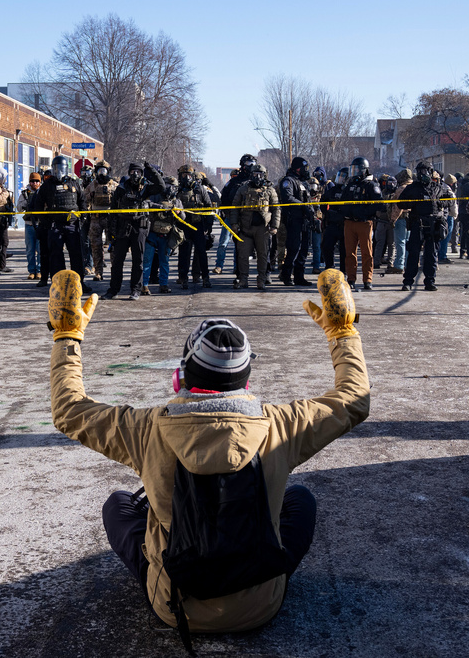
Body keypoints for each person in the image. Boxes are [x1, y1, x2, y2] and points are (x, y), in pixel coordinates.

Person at [45, 266, 369, 648]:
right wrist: (342, 333)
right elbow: (353, 399)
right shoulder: (282, 425)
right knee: (300, 499)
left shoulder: (145, 429)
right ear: (246, 380)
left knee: (119, 505)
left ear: (181, 378)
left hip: (174, 605)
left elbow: (69, 409)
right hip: (263, 605)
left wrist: (67, 337)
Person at [397, 162, 452, 292]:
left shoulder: (438, 187)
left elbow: (450, 200)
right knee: (413, 253)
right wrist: (412, 202)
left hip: (433, 224)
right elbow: (400, 204)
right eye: (419, 171)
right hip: (418, 223)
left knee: (431, 254)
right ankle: (408, 281)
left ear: (430, 171)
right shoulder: (412, 188)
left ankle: (430, 281)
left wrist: (439, 203)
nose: (422, 174)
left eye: (424, 171)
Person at [34, 155, 87, 289]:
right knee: (56, 256)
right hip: (55, 225)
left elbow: (83, 201)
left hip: (72, 225)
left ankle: (79, 283)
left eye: (62, 168)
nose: (59, 171)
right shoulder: (48, 185)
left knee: (76, 255)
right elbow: (38, 205)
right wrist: (46, 222)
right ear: (53, 169)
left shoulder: (74, 183)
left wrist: (83, 217)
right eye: (57, 168)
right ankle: (59, 284)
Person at [105, 163, 152, 300]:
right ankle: (113, 290)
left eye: (138, 172)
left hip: (139, 228)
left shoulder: (146, 189)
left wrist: (151, 169)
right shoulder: (121, 189)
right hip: (122, 228)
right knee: (117, 261)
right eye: (132, 171)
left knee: (138, 261)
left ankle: (135, 290)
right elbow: (113, 212)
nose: (135, 174)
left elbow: (160, 186)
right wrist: (111, 234)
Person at [232, 164, 279, 290]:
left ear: (264, 175)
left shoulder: (270, 190)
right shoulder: (243, 189)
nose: (257, 177)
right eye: (255, 174)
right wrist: (234, 224)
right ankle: (243, 279)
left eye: (260, 174)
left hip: (263, 229)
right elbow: (235, 207)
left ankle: (261, 279)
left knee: (263, 255)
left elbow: (276, 209)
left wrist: (275, 226)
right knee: (242, 255)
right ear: (251, 175)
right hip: (245, 228)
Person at [341, 157, 383, 290]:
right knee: (350, 253)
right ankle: (351, 279)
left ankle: (367, 280)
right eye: (353, 169)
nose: (354, 172)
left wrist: (363, 212)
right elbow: (342, 201)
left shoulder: (371, 185)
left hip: (364, 223)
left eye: (357, 169)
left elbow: (380, 205)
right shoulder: (350, 185)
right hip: (349, 223)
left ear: (364, 170)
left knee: (366, 253)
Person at [277, 156, 315, 287]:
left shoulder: (303, 182)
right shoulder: (288, 181)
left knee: (304, 249)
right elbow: (288, 198)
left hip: (305, 220)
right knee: (294, 248)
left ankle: (299, 276)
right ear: (298, 168)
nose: (306, 171)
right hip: (294, 220)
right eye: (304, 168)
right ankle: (286, 275)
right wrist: (303, 206)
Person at [175, 164, 214, 290]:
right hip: (184, 226)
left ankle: (205, 277)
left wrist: (208, 226)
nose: (187, 178)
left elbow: (209, 207)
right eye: (184, 175)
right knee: (184, 254)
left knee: (201, 253)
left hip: (198, 226)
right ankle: (183, 277)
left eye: (189, 175)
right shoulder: (177, 190)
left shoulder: (200, 189)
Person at [215, 156, 255, 274]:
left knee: (241, 244)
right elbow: (224, 197)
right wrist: (226, 212)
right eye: (248, 163)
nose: (251, 165)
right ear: (243, 165)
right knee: (223, 242)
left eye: (253, 163)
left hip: (246, 218)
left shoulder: (254, 182)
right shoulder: (233, 181)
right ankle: (219, 266)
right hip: (230, 216)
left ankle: (238, 267)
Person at [84, 160, 117, 282]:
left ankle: (115, 271)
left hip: (110, 218)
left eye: (104, 170)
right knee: (96, 246)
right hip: (95, 218)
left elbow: (120, 200)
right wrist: (90, 196)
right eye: (99, 171)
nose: (102, 173)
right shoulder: (92, 185)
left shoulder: (114, 185)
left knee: (113, 245)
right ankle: (98, 272)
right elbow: (84, 200)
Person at [319, 167, 348, 272]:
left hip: (346, 224)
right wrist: (327, 213)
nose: (340, 179)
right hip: (332, 223)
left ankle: (343, 272)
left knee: (344, 250)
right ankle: (329, 268)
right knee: (326, 246)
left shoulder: (350, 190)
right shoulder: (333, 190)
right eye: (339, 176)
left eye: (343, 177)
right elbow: (323, 200)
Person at [388, 169, 412, 275]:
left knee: (400, 242)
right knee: (407, 242)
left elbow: (398, 207)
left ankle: (399, 265)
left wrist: (393, 219)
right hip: (411, 219)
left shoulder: (401, 189)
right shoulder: (413, 187)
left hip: (401, 218)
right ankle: (407, 263)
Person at [19, 172, 43, 280]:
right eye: (32, 181)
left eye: (37, 181)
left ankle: (39, 271)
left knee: (40, 249)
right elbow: (19, 208)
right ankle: (31, 271)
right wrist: (26, 204)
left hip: (40, 224)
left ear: (40, 182)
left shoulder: (43, 192)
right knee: (30, 250)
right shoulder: (25, 193)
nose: (34, 183)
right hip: (29, 224)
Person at [438, 173, 459, 264]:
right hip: (448, 216)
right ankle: (442, 256)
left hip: (439, 215)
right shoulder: (449, 191)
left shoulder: (439, 188)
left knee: (439, 236)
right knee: (446, 236)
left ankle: (438, 254)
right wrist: (455, 216)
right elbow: (453, 206)